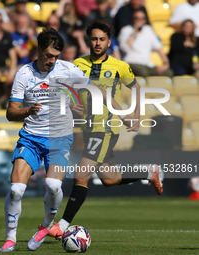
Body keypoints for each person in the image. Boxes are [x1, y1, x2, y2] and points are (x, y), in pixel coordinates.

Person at [0, 27, 129, 252]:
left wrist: (122, 112)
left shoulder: (68, 69)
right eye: (48, 55)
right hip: (31, 138)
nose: (52, 61)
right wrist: (28, 111)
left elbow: (96, 89)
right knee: (16, 190)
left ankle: (46, 226)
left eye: (56, 56)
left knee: (52, 185)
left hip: (59, 139)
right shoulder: (24, 74)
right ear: (38, 50)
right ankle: (10, 238)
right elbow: (11, 113)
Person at [44, 21, 163, 241]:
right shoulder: (77, 64)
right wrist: (70, 104)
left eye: (102, 39)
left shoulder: (119, 66)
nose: (97, 43)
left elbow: (135, 87)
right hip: (88, 128)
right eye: (94, 39)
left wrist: (134, 114)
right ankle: (148, 172)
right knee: (109, 179)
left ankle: (61, 226)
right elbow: (65, 90)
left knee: (81, 175)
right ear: (88, 40)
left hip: (106, 128)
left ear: (109, 41)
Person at [118, 10, 173, 77]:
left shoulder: (148, 30)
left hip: (147, 64)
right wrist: (134, 32)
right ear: (132, 19)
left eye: (142, 18)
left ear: (145, 20)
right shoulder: (126, 30)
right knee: (143, 72)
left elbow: (158, 48)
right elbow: (125, 48)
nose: (139, 20)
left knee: (169, 72)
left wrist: (166, 64)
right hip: (131, 62)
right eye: (136, 18)